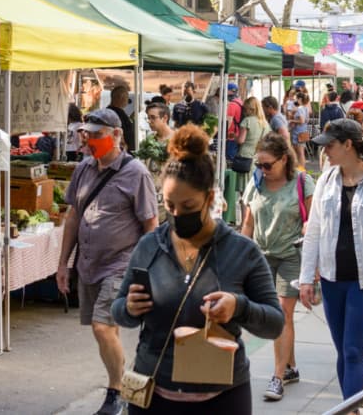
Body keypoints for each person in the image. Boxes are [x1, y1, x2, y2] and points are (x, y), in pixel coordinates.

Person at [112, 125, 284, 414]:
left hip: (222, 396)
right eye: (169, 205)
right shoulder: (149, 247)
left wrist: (239, 307)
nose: (177, 215)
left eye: (188, 205)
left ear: (209, 198)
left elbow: (274, 323)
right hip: (154, 393)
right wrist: (128, 307)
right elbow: (118, 311)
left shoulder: (242, 252)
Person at [56, 108, 158, 415]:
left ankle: (116, 391)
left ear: (116, 136)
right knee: (104, 330)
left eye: (97, 136)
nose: (90, 142)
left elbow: (151, 225)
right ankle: (126, 384)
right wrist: (63, 263)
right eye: (87, 135)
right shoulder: (84, 169)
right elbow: (74, 216)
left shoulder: (136, 173)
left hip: (121, 264)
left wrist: (145, 271)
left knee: (103, 327)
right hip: (89, 263)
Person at [299, 119, 363, 411]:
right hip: (332, 280)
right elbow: (315, 231)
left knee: (354, 350)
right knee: (342, 352)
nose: (325, 152)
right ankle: (351, 407)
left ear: (348, 145)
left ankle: (349, 408)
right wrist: (306, 278)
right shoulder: (325, 180)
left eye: (330, 146)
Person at [241, 134, 315, 402]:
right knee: (272, 313)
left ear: (284, 159)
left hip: (291, 256)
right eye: (258, 164)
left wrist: (313, 266)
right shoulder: (257, 182)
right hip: (261, 256)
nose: (262, 170)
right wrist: (240, 257)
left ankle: (277, 377)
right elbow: (248, 223)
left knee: (282, 313)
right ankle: (290, 366)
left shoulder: (302, 183)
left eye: (267, 165)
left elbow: (314, 225)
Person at [234, 96, 269, 191]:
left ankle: (244, 206)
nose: (244, 111)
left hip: (245, 156)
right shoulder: (264, 123)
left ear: (250, 109)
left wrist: (234, 137)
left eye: (245, 109)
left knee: (244, 189)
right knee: (254, 186)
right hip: (257, 156)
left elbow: (241, 140)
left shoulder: (247, 121)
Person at [108, 85, 136, 153]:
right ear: (121, 98)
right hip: (120, 152)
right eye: (127, 98)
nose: (127, 101)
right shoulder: (114, 113)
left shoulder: (112, 111)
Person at [289, 92, 310, 171]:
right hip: (303, 131)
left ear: (299, 99)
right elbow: (306, 120)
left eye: (295, 98)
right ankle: (301, 169)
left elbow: (301, 120)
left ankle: (300, 170)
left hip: (298, 133)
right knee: (301, 153)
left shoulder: (300, 108)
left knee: (299, 153)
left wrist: (292, 120)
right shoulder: (305, 108)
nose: (294, 100)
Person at [225, 82, 244, 160]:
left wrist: (224, 135)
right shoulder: (240, 102)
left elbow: (228, 122)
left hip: (231, 136)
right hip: (238, 134)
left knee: (230, 158)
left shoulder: (232, 104)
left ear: (229, 91)